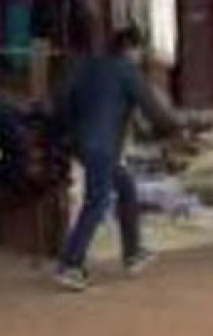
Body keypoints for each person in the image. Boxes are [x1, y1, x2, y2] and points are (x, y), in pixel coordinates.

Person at [52, 27, 186, 292]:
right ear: (131, 49)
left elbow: (61, 97)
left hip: (80, 142)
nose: (140, 57)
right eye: (139, 51)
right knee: (97, 202)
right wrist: (179, 128)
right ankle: (70, 264)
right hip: (101, 145)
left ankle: (133, 252)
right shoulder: (127, 71)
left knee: (125, 187)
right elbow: (154, 111)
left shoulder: (88, 65)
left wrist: (69, 130)